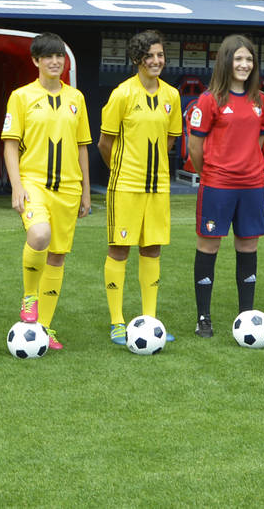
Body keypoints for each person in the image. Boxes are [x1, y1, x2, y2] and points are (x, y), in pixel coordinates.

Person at [3, 33, 91, 351]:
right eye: (49, 56)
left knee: (57, 256)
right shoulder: (21, 96)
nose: (56, 62)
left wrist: (85, 190)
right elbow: (10, 145)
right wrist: (17, 186)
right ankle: (29, 296)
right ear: (36, 61)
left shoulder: (76, 99)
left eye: (60, 56)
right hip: (34, 183)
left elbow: (82, 147)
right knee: (39, 235)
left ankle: (45, 329)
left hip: (68, 188)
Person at [98, 30, 181, 344]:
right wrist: (122, 170)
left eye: (160, 55)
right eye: (150, 56)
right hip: (125, 186)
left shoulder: (171, 96)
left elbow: (170, 140)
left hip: (158, 186)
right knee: (119, 249)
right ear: (137, 60)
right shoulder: (122, 94)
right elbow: (105, 143)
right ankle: (117, 322)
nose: (157, 61)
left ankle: (149, 318)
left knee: (152, 248)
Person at [188, 35, 264, 336]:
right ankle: (203, 318)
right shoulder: (209, 100)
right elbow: (195, 147)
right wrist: (211, 173)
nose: (245, 64)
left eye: (249, 59)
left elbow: (259, 141)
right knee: (209, 246)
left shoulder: (259, 100)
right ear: (226, 61)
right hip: (218, 186)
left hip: (251, 186)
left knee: (248, 246)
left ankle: (246, 316)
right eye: (239, 59)